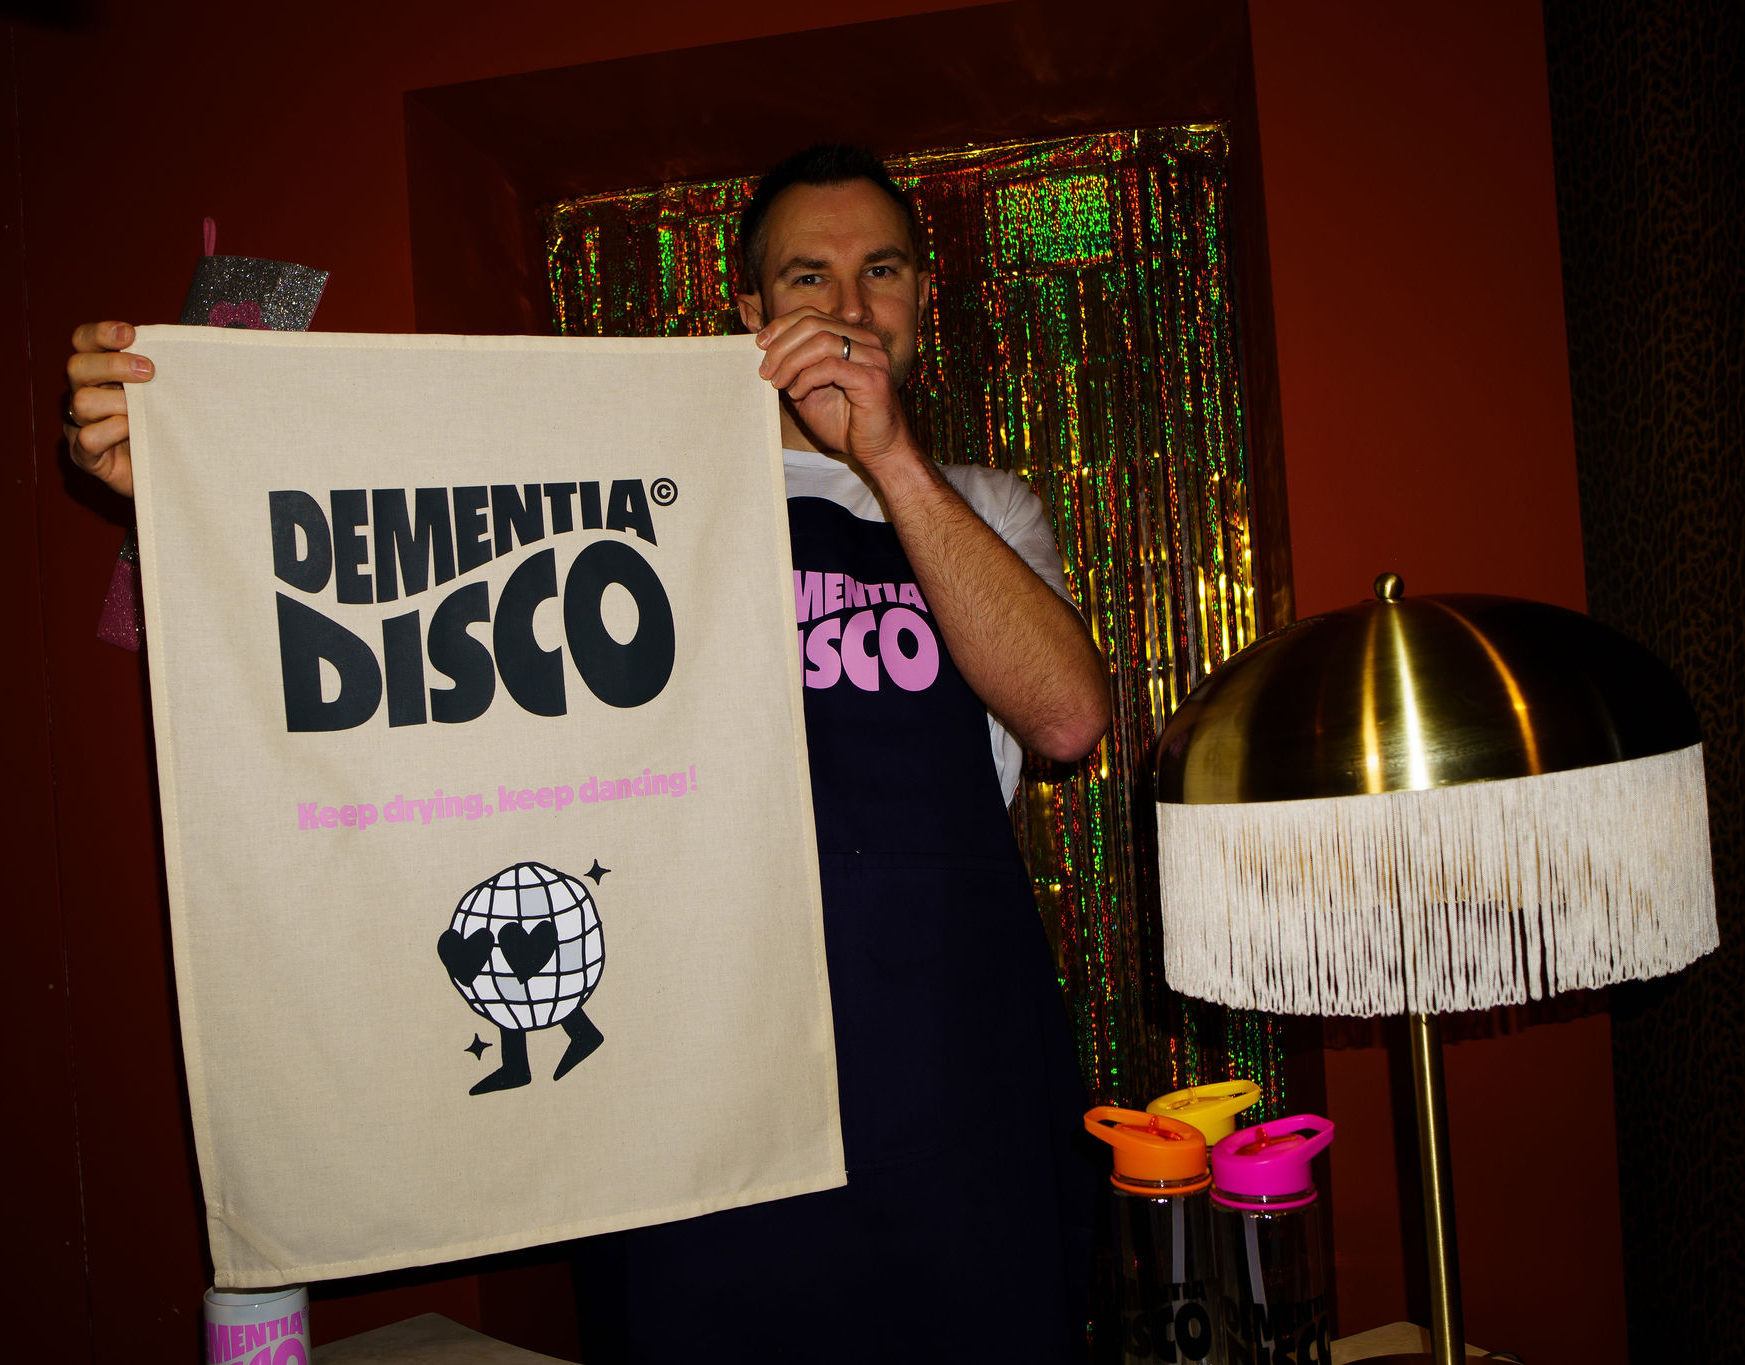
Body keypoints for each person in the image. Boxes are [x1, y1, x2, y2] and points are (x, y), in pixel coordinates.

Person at [65, 143, 1110, 1362]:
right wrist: (185, 471)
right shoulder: (633, 488)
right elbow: (396, 586)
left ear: (921, 296)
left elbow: (1064, 719)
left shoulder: (980, 506)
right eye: (805, 277)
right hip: (691, 1094)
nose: (845, 308)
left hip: (948, 1071)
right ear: (750, 314)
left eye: (879, 271)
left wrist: (885, 457)